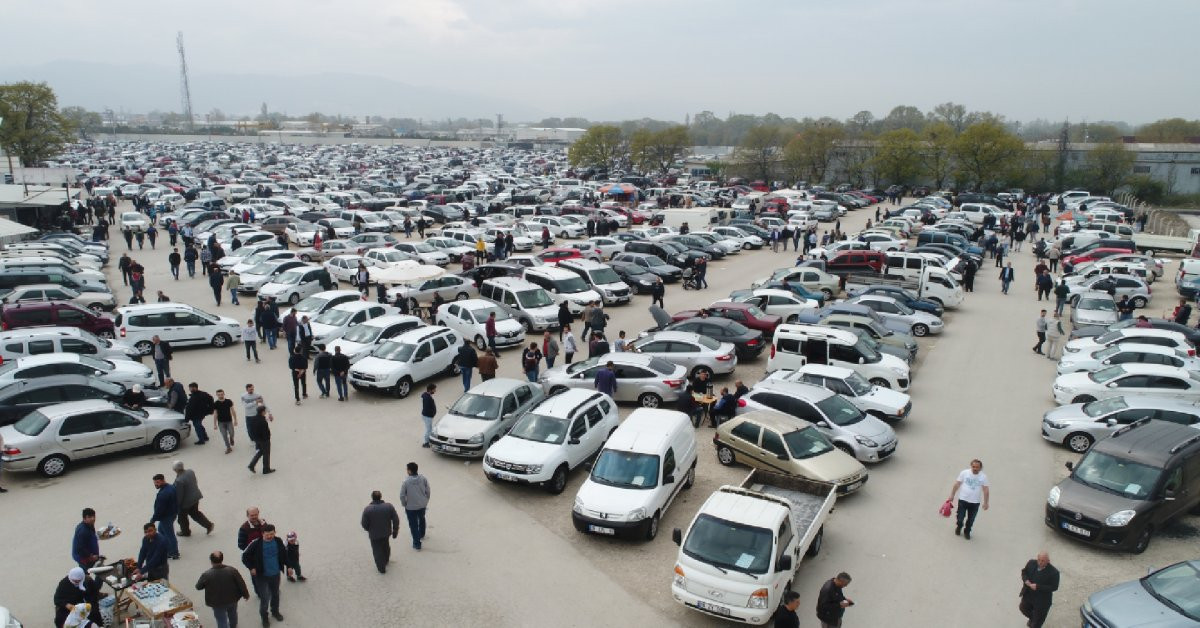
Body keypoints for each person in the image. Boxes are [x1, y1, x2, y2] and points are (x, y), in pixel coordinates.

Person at [241, 524, 286, 625]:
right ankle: (264, 617)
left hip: (275, 574)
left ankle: (275, 611)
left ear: (275, 532)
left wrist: (289, 566)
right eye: (267, 535)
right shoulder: (256, 544)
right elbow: (245, 556)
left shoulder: (278, 541)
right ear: (262, 534)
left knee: (275, 594)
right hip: (262, 576)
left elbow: (284, 553)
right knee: (265, 598)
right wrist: (251, 567)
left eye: (272, 534)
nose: (270, 536)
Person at [196, 550, 250, 628]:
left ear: (211, 561)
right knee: (233, 614)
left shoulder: (207, 575)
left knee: (221, 620)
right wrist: (246, 594)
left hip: (217, 602)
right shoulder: (232, 570)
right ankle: (233, 625)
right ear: (222, 559)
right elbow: (241, 583)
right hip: (232, 599)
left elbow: (198, 587)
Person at [948, 459, 990, 539]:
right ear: (971, 466)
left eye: (977, 467)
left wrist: (986, 503)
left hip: (975, 503)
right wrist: (952, 495)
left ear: (980, 468)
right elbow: (957, 484)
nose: (975, 468)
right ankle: (959, 526)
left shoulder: (983, 477)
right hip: (963, 500)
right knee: (960, 517)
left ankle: (967, 531)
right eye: (973, 466)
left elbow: (986, 490)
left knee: (971, 520)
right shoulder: (964, 473)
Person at [361, 490, 401, 573]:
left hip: (374, 534)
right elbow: (395, 519)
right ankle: (386, 560)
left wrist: (368, 529)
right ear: (381, 496)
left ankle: (381, 567)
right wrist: (395, 530)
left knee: (377, 550)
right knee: (385, 545)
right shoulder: (389, 506)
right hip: (386, 532)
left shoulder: (368, 510)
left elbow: (364, 523)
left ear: (372, 498)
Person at [1020, 551, 1060, 628]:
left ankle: (1035, 622)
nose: (1040, 562)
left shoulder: (1054, 573)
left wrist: (1038, 587)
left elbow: (1054, 587)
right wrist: (1026, 580)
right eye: (1039, 560)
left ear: (1048, 561)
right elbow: (1024, 572)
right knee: (1023, 608)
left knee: (1036, 623)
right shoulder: (1031, 563)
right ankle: (1033, 619)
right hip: (1029, 595)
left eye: (1042, 561)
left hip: (1042, 601)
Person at [399, 462, 431, 551]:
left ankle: (417, 544)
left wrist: (404, 504)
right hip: (422, 505)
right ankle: (422, 534)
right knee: (422, 518)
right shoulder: (423, 478)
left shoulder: (405, 482)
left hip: (410, 507)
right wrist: (425, 500)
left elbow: (402, 495)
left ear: (409, 471)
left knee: (413, 525)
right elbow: (428, 490)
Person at [151, 473, 181, 560]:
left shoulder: (163, 494)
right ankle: (168, 550)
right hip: (172, 514)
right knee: (161, 531)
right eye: (155, 483)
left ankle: (174, 552)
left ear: (163, 480)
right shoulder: (171, 487)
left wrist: (153, 519)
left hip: (166, 517)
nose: (156, 484)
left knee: (169, 534)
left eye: (157, 482)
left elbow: (159, 510)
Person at [247, 405, 275, 474]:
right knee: (266, 454)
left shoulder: (253, 419)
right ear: (262, 412)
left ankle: (251, 465)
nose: (265, 412)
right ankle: (266, 469)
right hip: (264, 440)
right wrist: (268, 437)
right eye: (265, 411)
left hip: (257, 439)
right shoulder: (262, 421)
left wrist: (253, 438)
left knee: (260, 452)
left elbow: (250, 429)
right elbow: (265, 431)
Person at [213, 389, 238, 454]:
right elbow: (215, 414)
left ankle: (231, 439)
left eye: (221, 394)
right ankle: (228, 448)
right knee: (224, 435)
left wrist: (235, 420)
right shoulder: (216, 403)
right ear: (217, 395)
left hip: (229, 421)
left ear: (224, 394)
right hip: (221, 422)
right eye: (219, 395)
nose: (220, 396)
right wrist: (215, 424)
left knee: (232, 433)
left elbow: (233, 411)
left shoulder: (229, 401)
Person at [420, 384, 436, 448]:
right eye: (434, 389)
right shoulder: (427, 397)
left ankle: (428, 441)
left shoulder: (426, 395)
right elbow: (427, 408)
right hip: (427, 416)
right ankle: (426, 443)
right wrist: (432, 414)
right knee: (428, 430)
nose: (435, 391)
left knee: (429, 429)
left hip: (427, 416)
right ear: (430, 390)